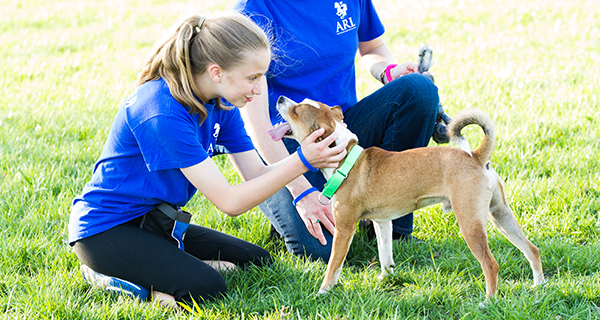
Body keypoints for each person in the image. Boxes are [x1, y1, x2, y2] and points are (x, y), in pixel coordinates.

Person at [68, 11, 348, 307]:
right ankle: (109, 276)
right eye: (252, 78)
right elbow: (230, 202)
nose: (258, 89)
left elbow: (255, 172)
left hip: (154, 221)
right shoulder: (162, 111)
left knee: (258, 261)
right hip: (106, 229)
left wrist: (308, 163)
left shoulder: (220, 103)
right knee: (208, 288)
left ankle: (160, 261)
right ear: (217, 72)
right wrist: (302, 160)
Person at [233, 0, 442, 262]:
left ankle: (394, 224)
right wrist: (302, 193)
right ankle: (292, 207)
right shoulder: (255, 9)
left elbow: (372, 46)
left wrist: (388, 71)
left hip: (341, 129)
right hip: (283, 141)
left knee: (418, 90)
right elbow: (257, 124)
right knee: (319, 250)